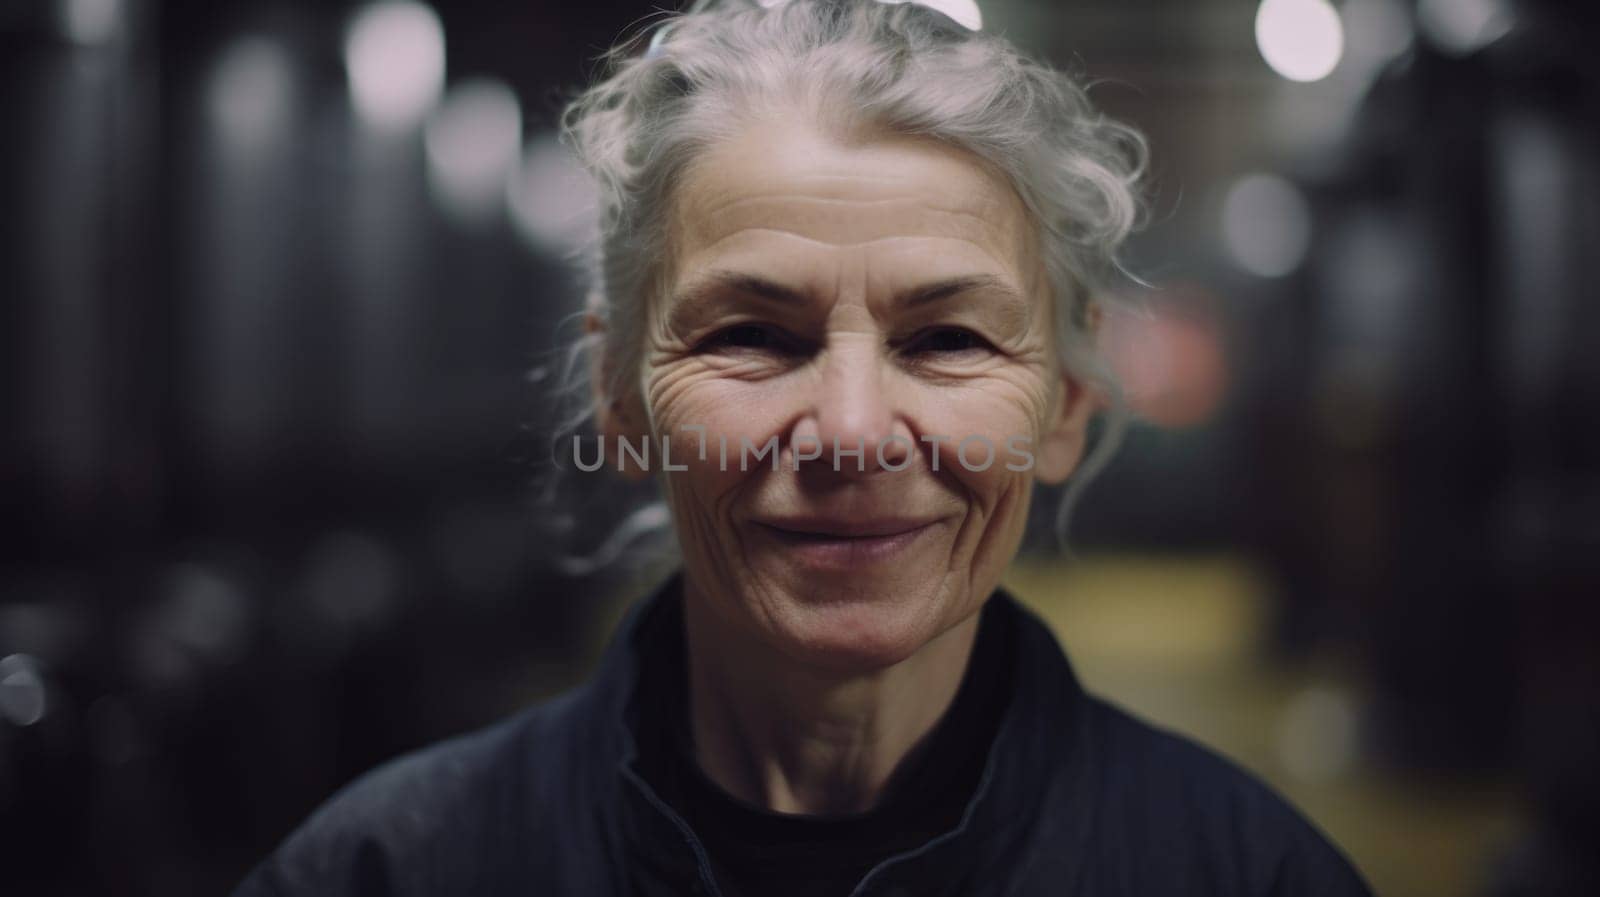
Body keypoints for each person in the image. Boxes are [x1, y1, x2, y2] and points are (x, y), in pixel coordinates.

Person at [233, 1, 1374, 894]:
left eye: (944, 338)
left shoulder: (1246, 873)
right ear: (619, 400)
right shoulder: (385, 871)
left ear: (1065, 406)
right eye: (751, 336)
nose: (852, 431)